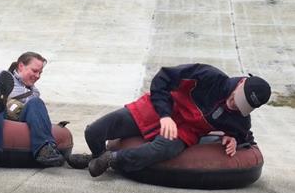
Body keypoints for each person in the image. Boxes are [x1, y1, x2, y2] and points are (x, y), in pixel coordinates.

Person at [67, 63, 271, 177]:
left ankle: (112, 159)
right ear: (241, 83)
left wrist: (232, 138)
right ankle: (95, 156)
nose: (236, 106)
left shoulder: (239, 117)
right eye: (239, 99)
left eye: (243, 106)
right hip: (158, 110)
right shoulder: (208, 76)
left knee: (162, 150)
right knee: (93, 131)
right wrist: (165, 115)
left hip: (184, 132)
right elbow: (162, 78)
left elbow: (246, 138)